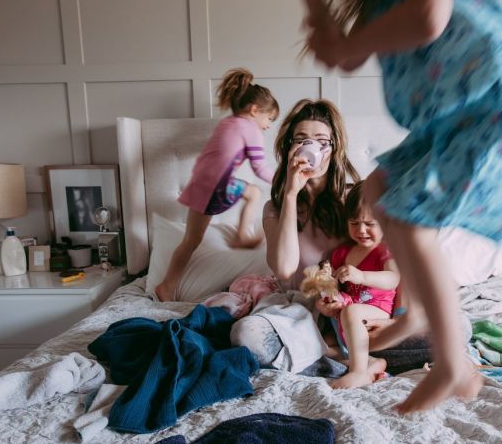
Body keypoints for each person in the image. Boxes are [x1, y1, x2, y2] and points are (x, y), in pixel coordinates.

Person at [290, 0, 502, 412]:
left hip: (500, 101)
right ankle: (427, 324)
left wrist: (345, 44)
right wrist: (322, 14)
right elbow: (351, 55)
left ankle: (447, 356)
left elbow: (427, 18)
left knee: (403, 212)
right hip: (463, 114)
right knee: (380, 188)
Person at [229, 99, 360, 372]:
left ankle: (318, 354)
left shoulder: (352, 199)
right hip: (298, 310)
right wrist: (290, 193)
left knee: (443, 327)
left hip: (349, 310)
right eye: (300, 140)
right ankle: (333, 354)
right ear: (290, 148)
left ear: (334, 149)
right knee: (245, 335)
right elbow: (284, 268)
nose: (311, 148)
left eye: (322, 140)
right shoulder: (275, 208)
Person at [155, 68, 279, 302]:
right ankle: (242, 235)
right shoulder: (250, 128)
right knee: (253, 192)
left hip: (199, 185)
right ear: (254, 110)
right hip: (217, 186)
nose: (269, 125)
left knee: (190, 241)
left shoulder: (227, 123)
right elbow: (260, 169)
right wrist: (285, 182)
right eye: (269, 118)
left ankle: (167, 285)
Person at [325, 181, 401, 389]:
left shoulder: (385, 250)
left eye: (370, 224)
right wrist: (326, 300)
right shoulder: (341, 253)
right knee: (321, 344)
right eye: (354, 223)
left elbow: (393, 278)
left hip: (377, 310)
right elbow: (332, 285)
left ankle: (358, 372)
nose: (362, 230)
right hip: (347, 316)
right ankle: (371, 363)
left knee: (351, 312)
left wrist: (363, 277)